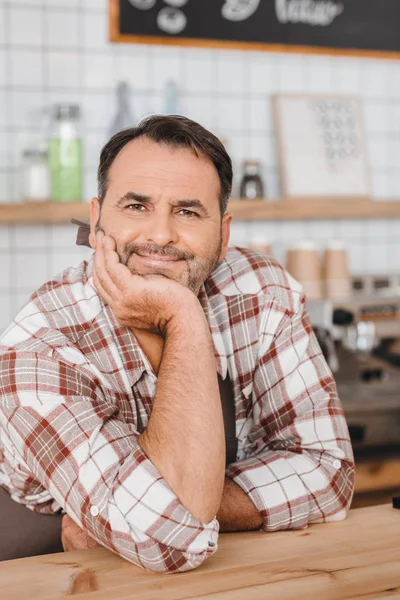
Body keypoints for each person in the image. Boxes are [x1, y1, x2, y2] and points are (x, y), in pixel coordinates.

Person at [0, 115, 354, 573]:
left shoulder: (263, 292)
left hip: (229, 574)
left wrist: (180, 316)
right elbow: (172, 543)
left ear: (223, 235)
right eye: (136, 206)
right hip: (48, 571)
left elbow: (330, 471)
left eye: (188, 211)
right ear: (96, 218)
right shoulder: (37, 350)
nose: (161, 234)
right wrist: (184, 316)